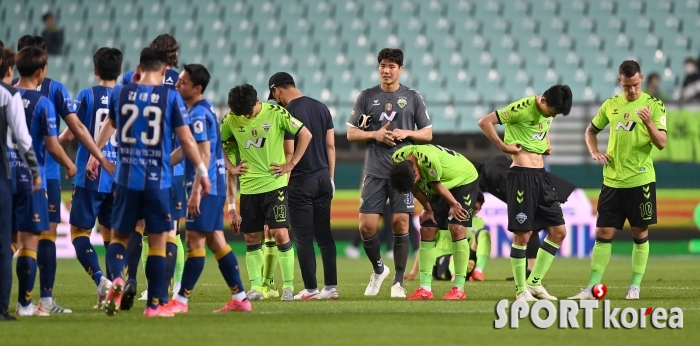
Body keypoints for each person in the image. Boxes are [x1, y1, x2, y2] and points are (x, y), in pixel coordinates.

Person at [96, 47, 211, 317]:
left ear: (139, 68)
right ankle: (153, 307)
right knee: (159, 241)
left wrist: (96, 156)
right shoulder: (169, 97)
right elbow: (186, 140)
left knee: (119, 237)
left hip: (124, 178)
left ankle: (117, 279)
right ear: (163, 71)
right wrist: (203, 173)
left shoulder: (120, 93)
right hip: (158, 180)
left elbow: (108, 126)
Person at [14, 35, 115, 313]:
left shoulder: (7, 91)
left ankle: (25, 303)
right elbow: (75, 131)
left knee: (12, 239)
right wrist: (88, 159)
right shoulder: (54, 91)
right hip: (47, 175)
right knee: (46, 235)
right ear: (42, 64)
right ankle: (44, 301)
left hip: (10, 174)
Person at [569, 60, 667, 300]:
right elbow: (590, 131)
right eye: (626, 86)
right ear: (619, 82)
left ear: (641, 79)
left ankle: (635, 286)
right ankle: (592, 288)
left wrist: (648, 123)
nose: (631, 90)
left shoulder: (654, 106)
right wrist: (594, 152)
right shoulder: (611, 105)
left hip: (640, 180)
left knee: (639, 233)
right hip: (612, 180)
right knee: (602, 233)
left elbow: (661, 143)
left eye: (635, 85)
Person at [164, 64, 251, 313]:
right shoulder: (199, 109)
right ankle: (240, 299)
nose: (177, 85)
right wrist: (163, 163)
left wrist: (195, 192)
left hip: (205, 186)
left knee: (194, 240)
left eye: (182, 82)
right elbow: (188, 148)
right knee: (215, 241)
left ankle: (181, 301)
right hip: (211, 184)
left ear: (197, 88)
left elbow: (202, 153)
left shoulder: (198, 114)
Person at [346, 48, 432, 298]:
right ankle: (379, 270)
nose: (386, 70)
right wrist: (375, 134)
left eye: (392, 66)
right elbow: (351, 132)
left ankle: (398, 282)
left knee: (400, 222)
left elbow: (427, 133)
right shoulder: (366, 96)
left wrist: (408, 134)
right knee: (366, 227)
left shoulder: (413, 97)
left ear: (400, 69)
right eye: (383, 65)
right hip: (374, 171)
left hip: (402, 173)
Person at [477, 85, 572, 301]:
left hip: (541, 176)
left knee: (559, 231)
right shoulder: (522, 107)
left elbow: (543, 129)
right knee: (523, 234)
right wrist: (503, 145)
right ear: (544, 101)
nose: (552, 116)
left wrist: (546, 143)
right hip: (521, 177)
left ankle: (535, 283)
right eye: (552, 112)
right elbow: (484, 122)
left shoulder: (550, 111)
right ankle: (521, 291)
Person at [222, 84, 312, 301]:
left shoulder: (276, 113)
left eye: (248, 111)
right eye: (240, 113)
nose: (244, 115)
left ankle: (288, 287)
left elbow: (306, 134)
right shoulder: (230, 120)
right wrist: (230, 167)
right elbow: (219, 145)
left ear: (257, 101)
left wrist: (291, 164)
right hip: (250, 187)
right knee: (252, 237)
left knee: (280, 233)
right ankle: (256, 288)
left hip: (275, 185)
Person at [12, 46, 77, 316]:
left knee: (8, 240)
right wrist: (70, 164)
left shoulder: (5, 96)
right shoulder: (43, 103)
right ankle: (25, 304)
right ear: (41, 72)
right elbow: (52, 145)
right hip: (32, 177)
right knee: (30, 240)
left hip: (5, 177)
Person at [121, 34, 185, 307]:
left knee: (136, 227)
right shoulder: (183, 82)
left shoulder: (130, 80)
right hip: (172, 167)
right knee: (169, 231)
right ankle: (165, 290)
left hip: (135, 165)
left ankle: (130, 278)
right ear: (174, 54)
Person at [267, 72, 338, 300]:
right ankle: (331, 288)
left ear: (277, 90)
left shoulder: (286, 112)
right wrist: (331, 178)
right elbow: (331, 146)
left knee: (303, 237)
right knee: (325, 236)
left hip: (301, 181)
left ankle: (310, 289)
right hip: (323, 179)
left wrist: (288, 170)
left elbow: (289, 149)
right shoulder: (322, 107)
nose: (276, 100)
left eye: (274, 95)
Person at [62, 47, 122, 308]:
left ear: (96, 70)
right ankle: (115, 286)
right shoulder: (126, 97)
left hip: (91, 173)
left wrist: (55, 146)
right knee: (112, 235)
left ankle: (101, 280)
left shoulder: (86, 96)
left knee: (79, 231)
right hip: (119, 175)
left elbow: (72, 132)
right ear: (119, 72)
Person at [389, 144, 477, 300]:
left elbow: (436, 185)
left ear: (416, 170)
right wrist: (427, 208)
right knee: (427, 229)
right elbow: (415, 187)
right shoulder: (398, 159)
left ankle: (459, 288)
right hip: (438, 183)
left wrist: (454, 204)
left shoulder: (429, 161)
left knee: (457, 227)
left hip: (463, 179)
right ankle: (425, 289)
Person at [475, 156, 577, 281]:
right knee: (532, 230)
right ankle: (531, 270)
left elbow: (511, 185)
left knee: (531, 228)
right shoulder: (489, 170)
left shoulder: (491, 170)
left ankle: (532, 270)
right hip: (536, 193)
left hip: (535, 194)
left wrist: (520, 206)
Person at [0, 39, 41, 321]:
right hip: (2, 177)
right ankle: (1, 308)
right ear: (8, 69)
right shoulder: (8, 95)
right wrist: (35, 171)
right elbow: (23, 139)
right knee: (4, 244)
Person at [405, 191, 486, 283]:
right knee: (455, 256)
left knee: (484, 234)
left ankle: (478, 271)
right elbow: (425, 246)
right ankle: (456, 277)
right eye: (470, 206)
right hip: (441, 262)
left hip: (466, 260)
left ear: (480, 209)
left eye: (475, 208)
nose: (470, 210)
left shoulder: (479, 222)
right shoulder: (444, 219)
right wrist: (413, 272)